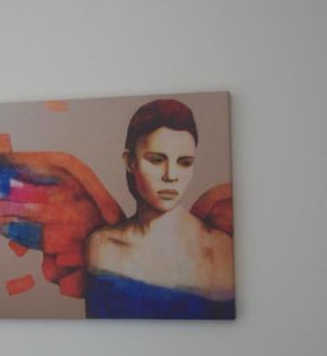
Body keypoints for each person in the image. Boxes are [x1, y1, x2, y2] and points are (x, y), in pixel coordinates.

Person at [83, 99, 235, 319]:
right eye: (156, 160)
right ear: (130, 161)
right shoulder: (102, 247)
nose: (171, 176)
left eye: (184, 162)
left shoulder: (218, 249)